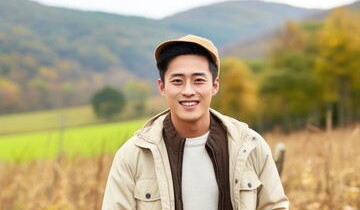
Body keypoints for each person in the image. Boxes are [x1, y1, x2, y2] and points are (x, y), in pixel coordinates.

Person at [102, 34, 289, 210]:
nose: (188, 90)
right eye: (177, 81)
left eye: (198, 80)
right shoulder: (132, 156)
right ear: (162, 87)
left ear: (215, 85)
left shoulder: (250, 146)